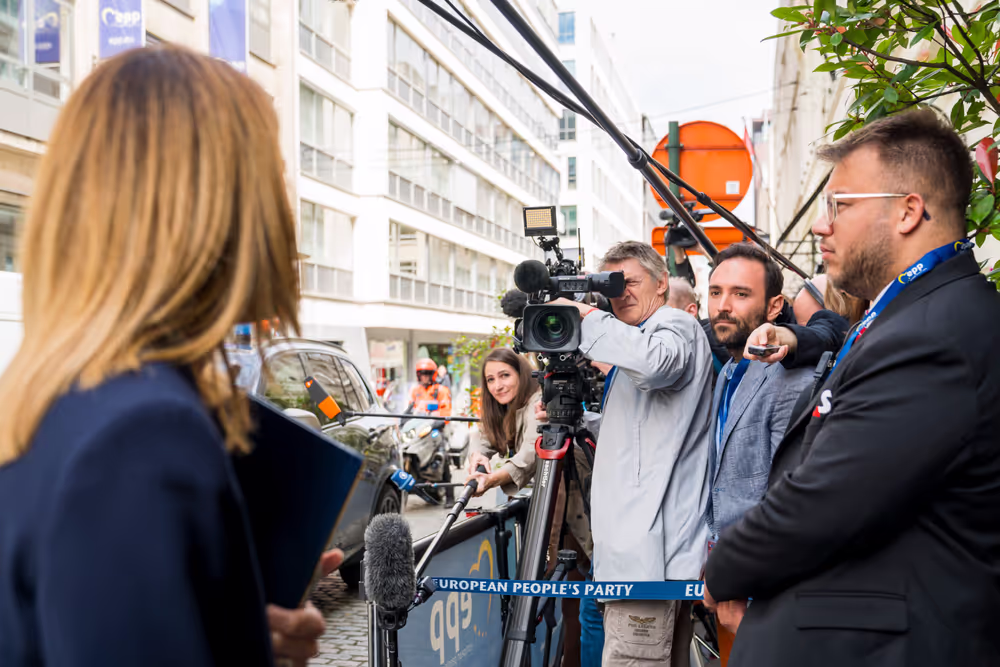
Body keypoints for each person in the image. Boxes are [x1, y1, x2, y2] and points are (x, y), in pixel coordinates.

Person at [0, 47, 333, 666]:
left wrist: (229, 631)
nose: (286, 213)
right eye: (272, 178)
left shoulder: (54, 403)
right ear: (212, 208)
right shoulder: (143, 434)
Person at [704, 109, 1000, 667]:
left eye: (840, 205)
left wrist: (725, 567)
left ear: (908, 210)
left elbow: (826, 498)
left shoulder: (934, 332)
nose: (821, 225)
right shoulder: (916, 313)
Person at [538, 241, 713, 667]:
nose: (622, 294)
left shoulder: (674, 325)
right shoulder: (640, 339)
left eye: (630, 282)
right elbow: (640, 431)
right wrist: (580, 420)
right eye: (612, 286)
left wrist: (585, 316)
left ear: (662, 283)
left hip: (646, 560)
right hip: (640, 558)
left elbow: (656, 364)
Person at [702, 243, 814, 664]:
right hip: (728, 580)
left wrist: (740, 574)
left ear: (774, 307)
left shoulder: (791, 379)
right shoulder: (730, 371)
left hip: (763, 589)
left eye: (740, 294)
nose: (723, 306)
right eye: (716, 292)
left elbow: (789, 494)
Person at [465, 348, 593, 667]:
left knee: (588, 598)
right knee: (572, 602)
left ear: (522, 374)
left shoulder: (539, 401)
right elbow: (481, 434)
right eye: (490, 379)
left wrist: (490, 479)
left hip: (580, 508)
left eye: (504, 376)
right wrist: (477, 457)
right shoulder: (507, 408)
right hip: (558, 508)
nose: (497, 385)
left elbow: (529, 457)